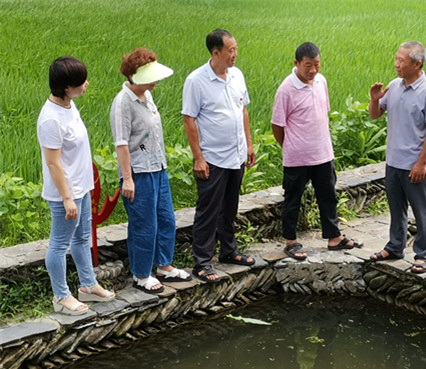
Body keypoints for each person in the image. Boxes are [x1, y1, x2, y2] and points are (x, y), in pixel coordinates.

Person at [37, 56, 115, 315]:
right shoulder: (51, 119)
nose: (86, 85)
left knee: (82, 238)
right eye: (80, 82)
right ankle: (60, 296)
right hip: (64, 194)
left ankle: (88, 285)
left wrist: (84, 188)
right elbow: (53, 163)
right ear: (65, 86)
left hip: (81, 188)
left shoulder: (69, 106)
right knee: (59, 244)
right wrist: (67, 198)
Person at [271, 42, 362, 260]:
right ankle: (291, 241)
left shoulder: (321, 81)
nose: (313, 70)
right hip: (297, 158)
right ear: (296, 63)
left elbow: (323, 113)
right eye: (308, 65)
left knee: (328, 196)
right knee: (293, 199)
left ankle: (334, 237)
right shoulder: (286, 89)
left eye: (317, 64)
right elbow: (277, 125)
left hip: (323, 153)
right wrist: (291, 146)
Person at [110, 48, 190, 294]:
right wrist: (127, 179)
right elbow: (121, 143)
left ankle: (164, 265)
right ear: (135, 76)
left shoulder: (147, 96)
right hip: (138, 172)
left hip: (158, 167)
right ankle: (141, 274)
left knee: (166, 219)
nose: (156, 79)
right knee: (144, 225)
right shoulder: (123, 102)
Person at [182, 29, 256, 283]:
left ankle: (228, 251)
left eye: (236, 48)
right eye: (230, 50)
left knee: (230, 206)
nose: (235, 54)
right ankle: (201, 262)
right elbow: (189, 120)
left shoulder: (236, 75)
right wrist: (198, 158)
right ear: (216, 53)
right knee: (208, 210)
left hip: (236, 154)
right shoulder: (196, 81)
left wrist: (249, 143)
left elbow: (242, 109)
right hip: (212, 158)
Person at [368, 41, 426, 274]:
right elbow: (375, 115)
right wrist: (374, 98)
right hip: (393, 162)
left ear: (417, 64)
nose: (396, 64)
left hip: (415, 164)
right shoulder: (394, 86)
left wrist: (421, 163)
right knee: (396, 208)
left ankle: (423, 254)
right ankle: (395, 246)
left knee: (421, 211)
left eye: (401, 60)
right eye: (396, 58)